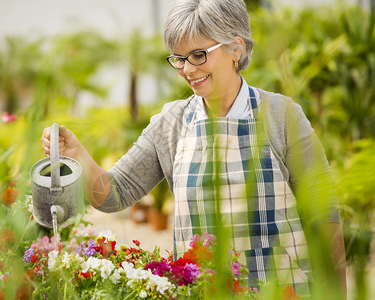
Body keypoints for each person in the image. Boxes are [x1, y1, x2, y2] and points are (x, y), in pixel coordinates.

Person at [41, 0, 346, 297]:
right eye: (178, 58)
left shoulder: (282, 115)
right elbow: (113, 194)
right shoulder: (171, 124)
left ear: (235, 48)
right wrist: (76, 153)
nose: (187, 69)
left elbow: (324, 215)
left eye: (198, 55)